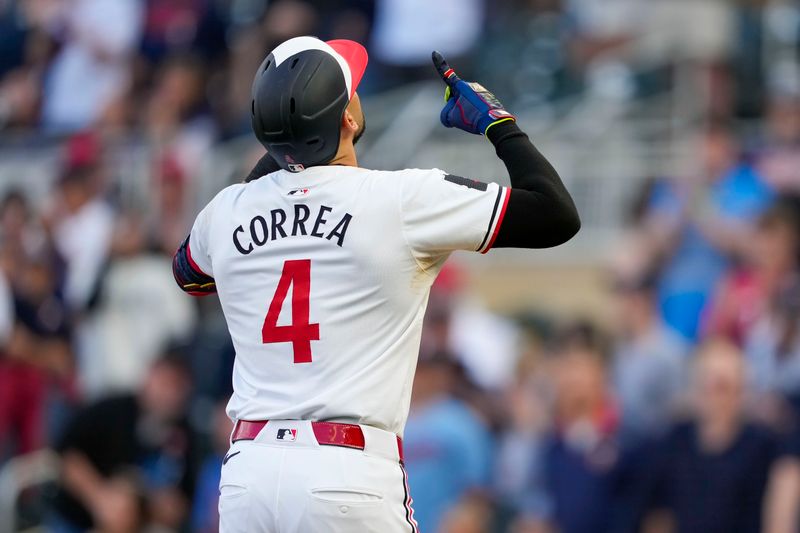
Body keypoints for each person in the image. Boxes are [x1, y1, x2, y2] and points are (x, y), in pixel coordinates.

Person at [173, 35, 580, 532]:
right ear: (346, 119)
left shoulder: (226, 210)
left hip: (248, 477)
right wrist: (500, 125)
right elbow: (556, 215)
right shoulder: (400, 199)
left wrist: (279, 153)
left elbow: (188, 275)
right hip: (346, 470)